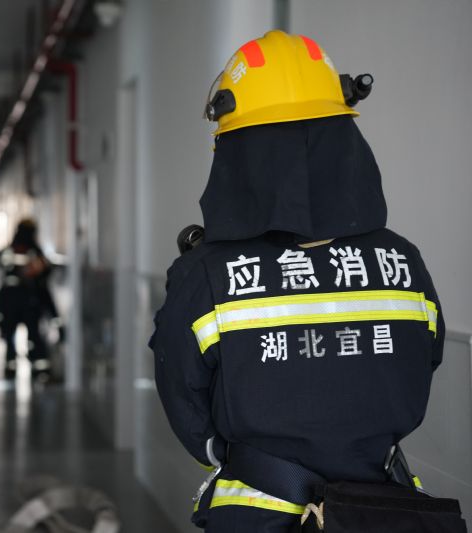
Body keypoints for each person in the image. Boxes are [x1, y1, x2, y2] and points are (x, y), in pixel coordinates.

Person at [150, 30, 445, 532]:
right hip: (387, 511)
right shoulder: (403, 261)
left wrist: (229, 452)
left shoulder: (206, 274)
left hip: (257, 516)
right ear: (346, 137)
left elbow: (184, 398)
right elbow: (426, 359)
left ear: (232, 149)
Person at [0, 218, 53, 380]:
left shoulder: (11, 250)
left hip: (12, 300)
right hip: (27, 300)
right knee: (29, 334)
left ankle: (15, 366)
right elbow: (46, 272)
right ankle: (37, 367)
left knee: (14, 334)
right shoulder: (33, 252)